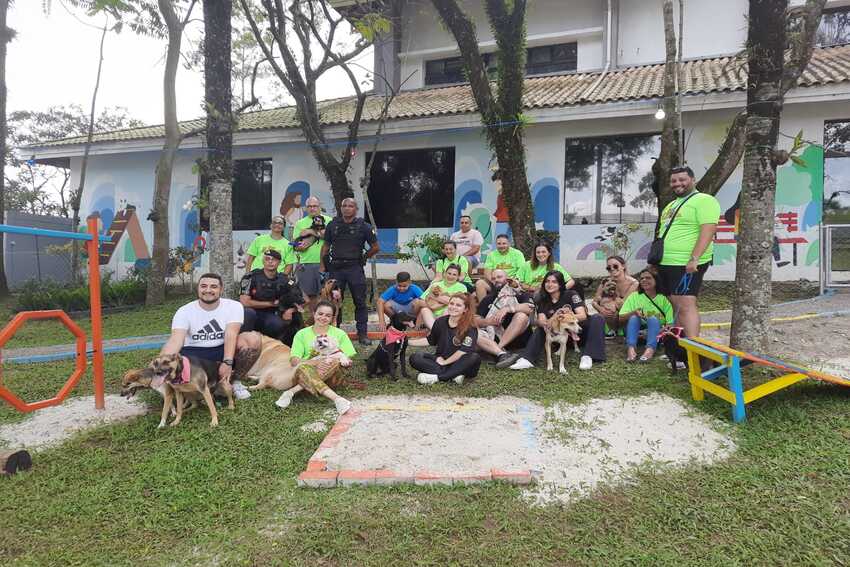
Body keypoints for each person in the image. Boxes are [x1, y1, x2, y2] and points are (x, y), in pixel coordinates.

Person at [161, 273, 261, 400]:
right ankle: (208, 385)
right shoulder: (184, 311)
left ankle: (234, 381)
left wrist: (227, 362)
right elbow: (176, 340)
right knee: (188, 394)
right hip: (193, 354)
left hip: (221, 347)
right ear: (198, 289)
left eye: (213, 286)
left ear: (221, 289)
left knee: (253, 339)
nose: (208, 290)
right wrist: (161, 364)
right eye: (203, 286)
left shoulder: (233, 306)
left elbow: (231, 334)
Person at [656, 165, 721, 338]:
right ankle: (680, 349)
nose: (677, 183)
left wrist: (695, 258)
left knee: (685, 305)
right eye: (673, 180)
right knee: (675, 306)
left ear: (693, 180)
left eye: (682, 179)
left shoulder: (704, 200)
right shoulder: (671, 205)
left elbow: (708, 230)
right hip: (666, 262)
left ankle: (694, 348)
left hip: (685, 263)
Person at [497, 270, 605, 371]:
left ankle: (588, 355)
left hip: (580, 332)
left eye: (554, 282)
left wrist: (565, 318)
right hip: (560, 336)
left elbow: (582, 315)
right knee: (541, 329)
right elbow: (541, 321)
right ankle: (527, 358)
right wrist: (553, 319)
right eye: (547, 281)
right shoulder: (542, 299)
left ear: (560, 284)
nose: (550, 284)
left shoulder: (571, 294)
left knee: (597, 318)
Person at [274, 300, 355, 416]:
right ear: (314, 313)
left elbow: (346, 358)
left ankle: (291, 392)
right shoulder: (301, 334)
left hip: (332, 377)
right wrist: (315, 363)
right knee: (304, 367)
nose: (323, 317)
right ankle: (337, 399)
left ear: (332, 318)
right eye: (320, 314)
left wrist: (341, 361)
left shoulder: (340, 334)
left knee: (333, 360)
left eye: (328, 315)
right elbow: (294, 361)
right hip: (306, 372)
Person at [320, 197, 380, 345]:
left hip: (354, 268)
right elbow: (325, 247)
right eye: (344, 205)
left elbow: (375, 247)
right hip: (336, 269)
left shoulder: (364, 226)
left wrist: (364, 257)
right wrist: (322, 267)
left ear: (356, 209)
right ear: (341, 208)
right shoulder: (332, 225)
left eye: (350, 206)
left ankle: (362, 334)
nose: (347, 208)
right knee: (334, 302)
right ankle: (334, 333)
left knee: (360, 302)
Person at [409, 293, 481, 385]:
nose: (453, 307)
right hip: (441, 359)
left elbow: (463, 351)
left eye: (458, 305)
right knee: (415, 357)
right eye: (451, 303)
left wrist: (445, 362)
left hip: (460, 362)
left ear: (465, 309)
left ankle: (438, 377)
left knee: (473, 357)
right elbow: (430, 340)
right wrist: (408, 342)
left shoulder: (470, 327)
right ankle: (453, 375)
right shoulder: (440, 321)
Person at [239, 249, 304, 346]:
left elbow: (303, 299)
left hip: (273, 314)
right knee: (247, 313)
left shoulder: (285, 279)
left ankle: (279, 346)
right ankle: (243, 344)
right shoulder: (251, 276)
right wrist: (271, 303)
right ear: (263, 261)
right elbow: (244, 302)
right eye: (267, 259)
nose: (270, 261)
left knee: (279, 323)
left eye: (274, 259)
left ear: (279, 262)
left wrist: (290, 310)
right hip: (253, 313)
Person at [474, 269, 534, 364]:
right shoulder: (488, 298)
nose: (496, 280)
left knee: (522, 316)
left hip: (518, 339)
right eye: (493, 278)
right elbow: (475, 319)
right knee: (473, 332)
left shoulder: (520, 294)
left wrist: (507, 309)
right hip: (493, 335)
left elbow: (529, 308)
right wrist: (488, 321)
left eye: (499, 277)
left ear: (507, 279)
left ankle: (497, 350)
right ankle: (502, 354)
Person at [619, 268, 674, 362]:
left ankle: (650, 350)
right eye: (642, 278)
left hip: (657, 334)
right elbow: (621, 317)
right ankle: (631, 349)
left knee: (652, 318)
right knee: (633, 317)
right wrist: (634, 312)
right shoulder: (634, 296)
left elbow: (670, 324)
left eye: (648, 278)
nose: (644, 280)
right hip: (636, 333)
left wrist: (657, 332)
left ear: (656, 280)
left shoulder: (663, 298)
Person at [289, 196, 333, 314]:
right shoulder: (300, 223)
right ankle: (314, 321)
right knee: (310, 295)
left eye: (315, 206)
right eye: (309, 206)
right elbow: (295, 244)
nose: (312, 208)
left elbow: (330, 237)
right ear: (306, 208)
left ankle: (327, 321)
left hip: (326, 263)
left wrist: (311, 231)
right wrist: (300, 246)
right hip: (306, 263)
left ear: (320, 206)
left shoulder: (329, 220)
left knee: (327, 294)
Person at [592, 255, 639, 336]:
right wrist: (601, 310)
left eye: (615, 266)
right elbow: (594, 302)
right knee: (605, 302)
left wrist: (613, 296)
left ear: (623, 266)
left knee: (611, 304)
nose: (612, 269)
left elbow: (623, 304)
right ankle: (611, 329)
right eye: (609, 268)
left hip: (626, 312)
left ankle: (617, 329)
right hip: (611, 314)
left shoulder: (634, 283)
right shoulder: (605, 282)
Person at [413, 264, 468, 330]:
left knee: (448, 309)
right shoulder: (436, 285)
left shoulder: (462, 287)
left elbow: (458, 303)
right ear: (444, 273)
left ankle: (437, 330)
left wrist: (435, 297)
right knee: (424, 309)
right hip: (432, 315)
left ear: (458, 276)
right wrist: (436, 305)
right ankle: (435, 330)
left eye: (454, 274)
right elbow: (422, 301)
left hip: (448, 315)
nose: (451, 276)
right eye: (449, 273)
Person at [475, 234, 526, 301]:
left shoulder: (517, 254)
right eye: (499, 244)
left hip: (511, 282)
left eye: (504, 243)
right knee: (480, 283)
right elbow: (487, 273)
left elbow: (521, 271)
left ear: (509, 244)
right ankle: (483, 307)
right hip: (495, 282)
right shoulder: (491, 255)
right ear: (496, 244)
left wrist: (509, 281)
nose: (501, 246)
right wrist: (496, 281)